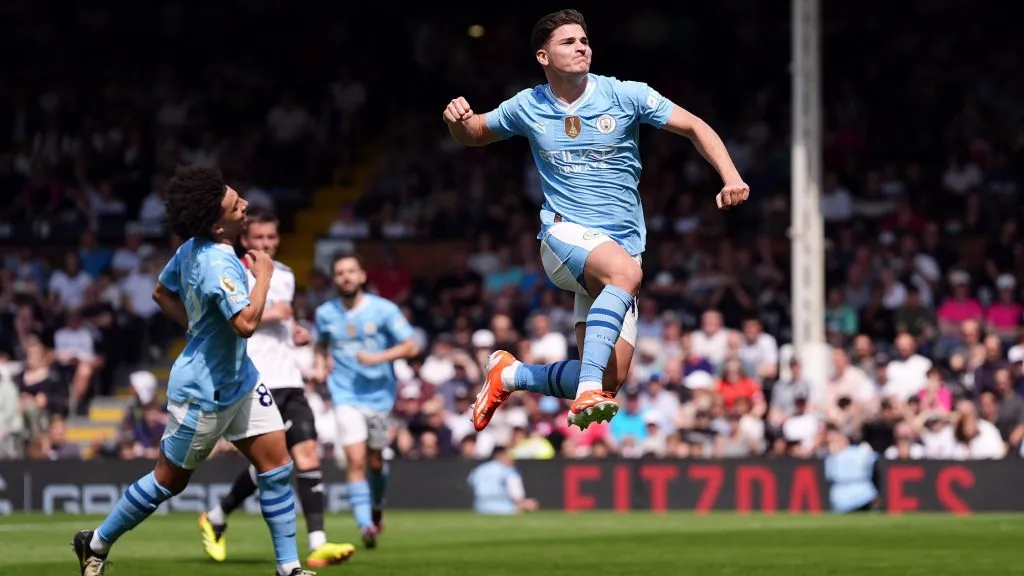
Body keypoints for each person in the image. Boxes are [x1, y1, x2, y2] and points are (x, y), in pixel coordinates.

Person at [443, 9, 749, 431]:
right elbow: (475, 132)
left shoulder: (626, 95)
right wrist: (456, 122)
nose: (581, 47)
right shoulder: (528, 105)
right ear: (543, 56)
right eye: (568, 42)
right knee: (625, 278)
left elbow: (695, 126)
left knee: (612, 378)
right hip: (563, 235)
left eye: (584, 40)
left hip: (618, 249)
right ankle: (586, 387)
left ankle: (510, 375)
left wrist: (730, 176)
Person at [71, 166, 316, 576]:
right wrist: (264, 278)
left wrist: (196, 327)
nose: (245, 205)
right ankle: (95, 543)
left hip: (241, 377)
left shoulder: (190, 248)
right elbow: (246, 324)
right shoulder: (218, 262)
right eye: (236, 204)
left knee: (276, 467)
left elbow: (161, 292)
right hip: (206, 391)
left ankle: (288, 568)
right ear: (220, 226)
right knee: (169, 481)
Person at [199, 208, 355, 567]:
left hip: (289, 378)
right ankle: (217, 515)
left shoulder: (283, 274)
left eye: (271, 238)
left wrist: (297, 332)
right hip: (254, 378)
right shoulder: (231, 270)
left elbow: (287, 321)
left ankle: (318, 543)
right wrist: (270, 316)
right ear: (245, 239)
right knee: (274, 463)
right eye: (259, 238)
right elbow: (227, 319)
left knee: (306, 456)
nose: (266, 243)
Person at [313, 252, 420, 548]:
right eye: (340, 272)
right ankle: (365, 527)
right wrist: (321, 366)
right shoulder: (325, 313)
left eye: (351, 271)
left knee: (375, 461)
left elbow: (411, 346)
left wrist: (378, 357)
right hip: (344, 394)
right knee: (356, 460)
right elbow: (321, 345)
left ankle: (376, 505)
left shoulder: (383, 310)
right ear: (335, 279)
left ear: (361, 276)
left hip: (379, 396)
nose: (346, 277)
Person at [467, 446, 539, 515]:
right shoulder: (508, 470)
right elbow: (516, 493)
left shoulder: (480, 469)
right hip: (504, 508)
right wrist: (524, 503)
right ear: (501, 456)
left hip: (480, 508)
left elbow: (470, 483)